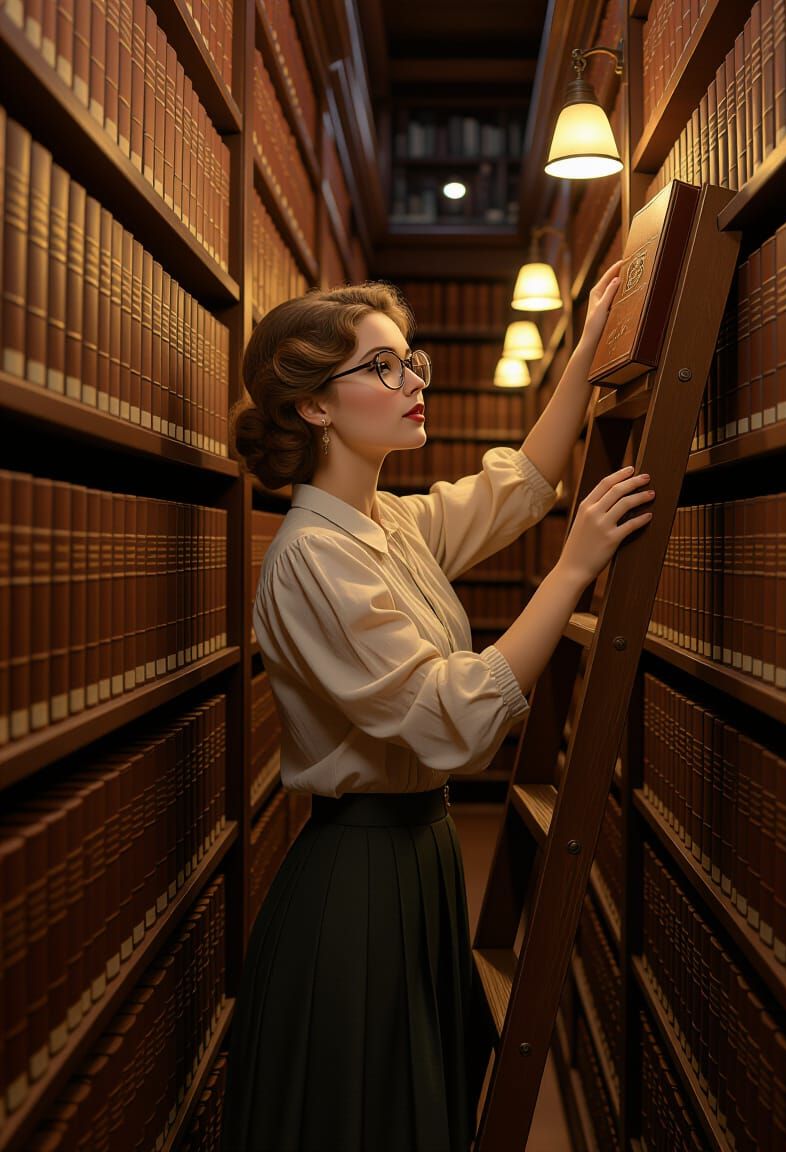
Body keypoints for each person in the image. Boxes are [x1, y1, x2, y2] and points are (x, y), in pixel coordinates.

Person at [220, 264, 654, 1152]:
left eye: (410, 360)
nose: (415, 381)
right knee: (367, 1115)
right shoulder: (311, 557)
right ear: (314, 406)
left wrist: (588, 348)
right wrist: (572, 570)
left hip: (419, 855)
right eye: (383, 367)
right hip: (358, 878)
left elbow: (519, 483)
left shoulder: (390, 524)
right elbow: (444, 716)